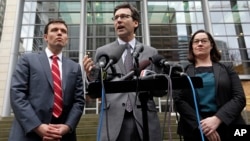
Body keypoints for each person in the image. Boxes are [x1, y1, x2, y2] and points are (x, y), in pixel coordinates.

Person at [83, 3, 162, 141]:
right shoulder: (103, 52)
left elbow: (159, 91)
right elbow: (95, 91)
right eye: (116, 17)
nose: (118, 20)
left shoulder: (151, 52)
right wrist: (90, 76)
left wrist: (159, 78)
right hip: (113, 119)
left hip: (144, 118)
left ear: (135, 22)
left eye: (124, 16)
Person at [9, 19, 85, 141]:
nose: (59, 33)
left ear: (67, 38)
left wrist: (67, 126)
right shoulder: (28, 60)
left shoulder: (75, 67)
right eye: (54, 30)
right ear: (45, 37)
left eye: (63, 31)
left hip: (63, 136)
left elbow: (79, 101)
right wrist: (37, 126)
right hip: (28, 133)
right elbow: (17, 93)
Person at [173, 29, 246, 141]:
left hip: (228, 125)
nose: (200, 44)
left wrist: (217, 119)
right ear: (192, 47)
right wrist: (203, 126)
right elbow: (178, 100)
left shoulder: (227, 69)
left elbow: (239, 98)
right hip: (196, 130)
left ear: (211, 45)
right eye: (196, 41)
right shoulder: (183, 72)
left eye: (204, 41)